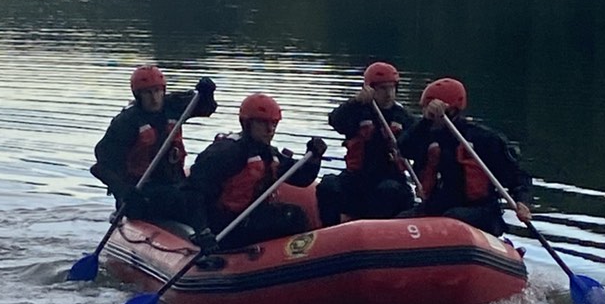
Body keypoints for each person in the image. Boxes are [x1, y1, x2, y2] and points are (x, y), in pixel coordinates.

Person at [188, 93, 326, 252]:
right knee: (293, 217)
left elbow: (302, 178)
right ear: (246, 123)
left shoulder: (268, 154)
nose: (270, 130)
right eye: (263, 123)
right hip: (224, 225)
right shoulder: (226, 152)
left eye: (274, 124)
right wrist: (203, 231)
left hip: (250, 217)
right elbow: (193, 192)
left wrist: (314, 158)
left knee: (293, 214)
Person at [399, 78, 533, 236]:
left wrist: (522, 201)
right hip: (438, 208)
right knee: (400, 222)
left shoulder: (483, 139)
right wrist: (426, 121)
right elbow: (404, 148)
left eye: (432, 112)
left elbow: (517, 176)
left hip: (479, 211)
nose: (426, 114)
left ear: (451, 111)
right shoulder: (424, 135)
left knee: (452, 218)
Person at [90, 64, 217, 226]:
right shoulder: (126, 122)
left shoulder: (174, 105)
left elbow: (206, 108)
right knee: (179, 201)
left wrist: (207, 93)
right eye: (148, 93)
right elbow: (100, 167)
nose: (155, 98)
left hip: (172, 182)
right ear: (138, 95)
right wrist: (124, 190)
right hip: (141, 189)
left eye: (157, 91)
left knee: (204, 197)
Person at [316, 60, 415, 226]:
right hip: (358, 179)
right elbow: (335, 120)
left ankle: (380, 232)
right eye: (383, 89)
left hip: (391, 178)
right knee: (328, 185)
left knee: (388, 190)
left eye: (391, 88)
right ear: (371, 89)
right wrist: (355, 102)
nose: (388, 94)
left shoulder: (403, 117)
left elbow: (418, 142)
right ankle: (329, 230)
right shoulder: (357, 112)